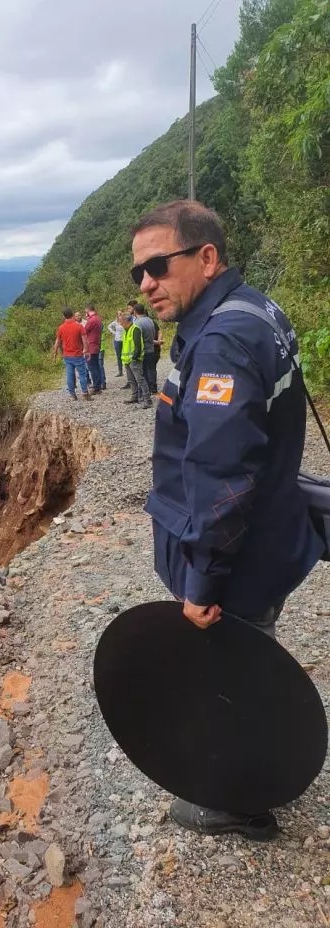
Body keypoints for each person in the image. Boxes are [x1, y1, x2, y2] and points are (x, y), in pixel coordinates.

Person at [131, 199, 324, 840]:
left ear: (206, 258)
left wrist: (201, 582)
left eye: (159, 265)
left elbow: (221, 475)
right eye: (138, 272)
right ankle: (263, 762)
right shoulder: (255, 310)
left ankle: (239, 800)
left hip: (240, 556)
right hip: (270, 534)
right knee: (251, 655)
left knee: (230, 670)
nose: (146, 283)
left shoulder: (221, 341)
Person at [52, 307, 92, 401]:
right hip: (78, 354)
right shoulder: (79, 326)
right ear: (73, 314)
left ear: (63, 316)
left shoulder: (61, 327)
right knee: (82, 374)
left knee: (69, 375)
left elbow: (57, 341)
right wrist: (86, 350)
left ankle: (72, 395)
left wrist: (55, 353)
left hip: (67, 355)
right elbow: (84, 340)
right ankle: (85, 393)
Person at [119, 309, 152, 409]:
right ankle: (134, 397)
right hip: (127, 360)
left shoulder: (135, 329)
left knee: (140, 379)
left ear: (127, 321)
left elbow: (138, 345)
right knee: (131, 380)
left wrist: (135, 357)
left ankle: (147, 400)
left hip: (134, 360)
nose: (120, 323)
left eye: (121, 321)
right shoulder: (125, 331)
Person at [133, 303, 158, 394]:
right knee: (152, 369)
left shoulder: (137, 323)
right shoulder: (150, 320)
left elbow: (137, 339)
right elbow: (154, 333)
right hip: (151, 348)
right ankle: (153, 387)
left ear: (135, 312)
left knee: (144, 371)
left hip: (144, 350)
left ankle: (147, 389)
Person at [84, 303, 106, 394]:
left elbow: (84, 332)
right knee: (96, 366)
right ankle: (99, 385)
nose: (85, 314)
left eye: (86, 312)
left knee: (92, 367)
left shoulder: (91, 320)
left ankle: (96, 387)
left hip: (91, 346)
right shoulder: (98, 319)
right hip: (97, 345)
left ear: (88, 311)